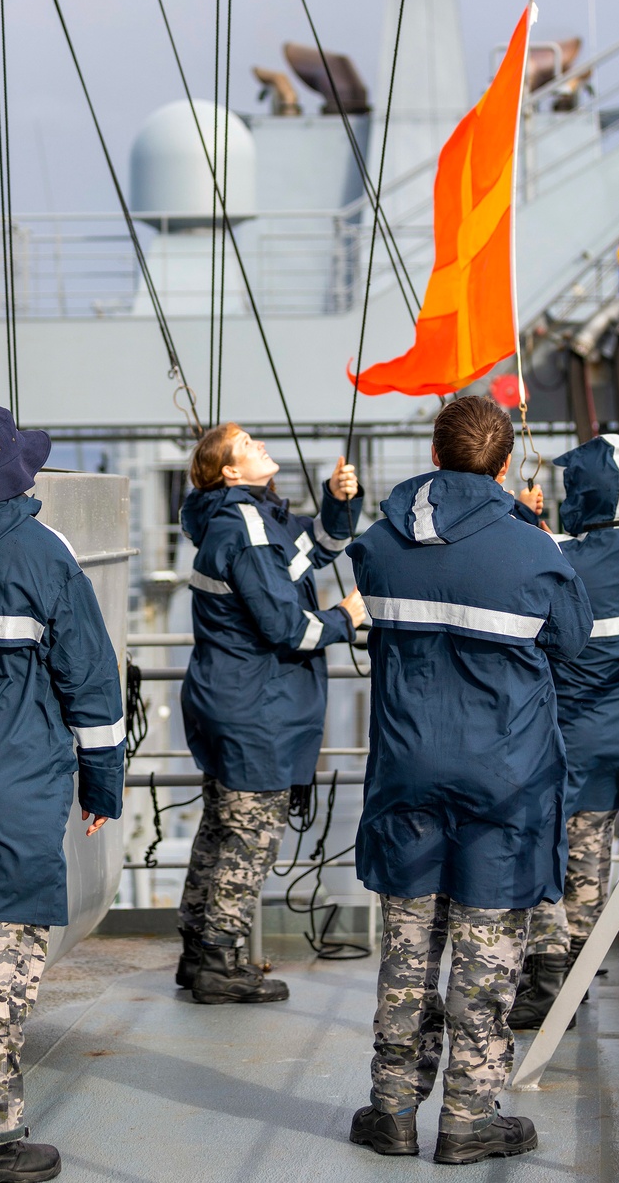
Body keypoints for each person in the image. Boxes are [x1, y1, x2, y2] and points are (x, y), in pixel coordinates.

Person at [345, 396, 593, 1167]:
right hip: (504, 783)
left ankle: (391, 1109)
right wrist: (537, 532)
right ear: (505, 463)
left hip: (406, 770)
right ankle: (468, 1115)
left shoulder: (378, 545)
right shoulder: (531, 552)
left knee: (408, 945)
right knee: (487, 954)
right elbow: (575, 641)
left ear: (436, 449)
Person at [0, 406, 125, 1183]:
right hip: (10, 785)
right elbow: (92, 681)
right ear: (15, 475)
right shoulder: (43, 552)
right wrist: (101, 784)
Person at [176, 423, 366, 1004]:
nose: (260, 446)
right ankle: (218, 965)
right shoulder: (248, 528)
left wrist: (337, 503)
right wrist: (347, 616)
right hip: (254, 710)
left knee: (219, 830)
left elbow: (313, 550)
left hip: (226, 701)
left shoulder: (238, 520)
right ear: (229, 471)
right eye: (247, 445)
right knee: (250, 840)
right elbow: (287, 627)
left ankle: (197, 950)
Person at [508, 433, 619, 1028]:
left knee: (546, 851)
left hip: (558, 735)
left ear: (584, 493)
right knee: (591, 855)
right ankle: (579, 970)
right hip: (616, 732)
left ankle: (548, 977)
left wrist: (521, 519)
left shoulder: (566, 560)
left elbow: (542, 576)